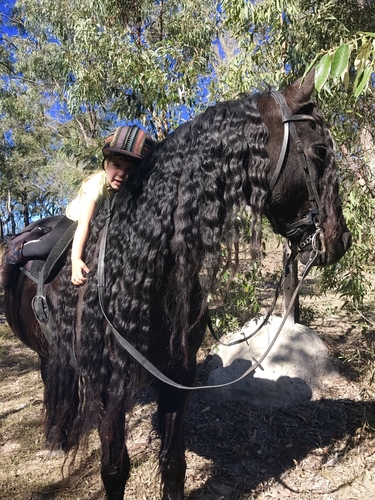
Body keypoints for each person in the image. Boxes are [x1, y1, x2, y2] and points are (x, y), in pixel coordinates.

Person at [0, 125, 155, 289]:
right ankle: (14, 254)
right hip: (75, 220)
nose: (122, 174)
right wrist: (76, 260)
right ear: (106, 163)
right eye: (116, 165)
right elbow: (83, 224)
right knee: (46, 247)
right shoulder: (96, 184)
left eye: (130, 169)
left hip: (100, 221)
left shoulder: (130, 188)